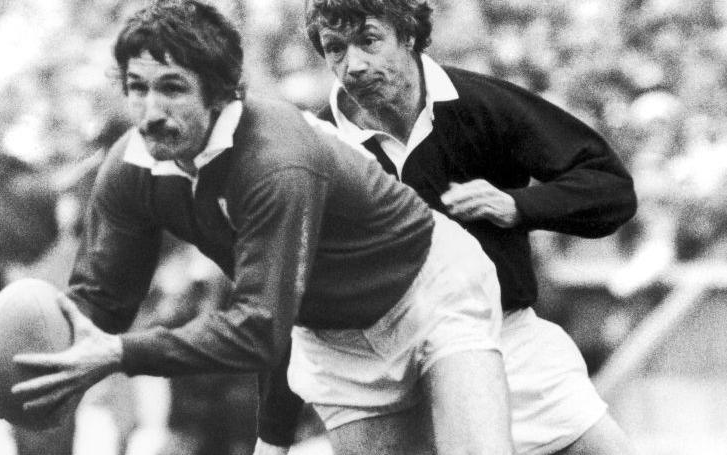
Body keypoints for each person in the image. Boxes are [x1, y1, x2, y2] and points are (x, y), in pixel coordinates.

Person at [0, 1, 513, 454]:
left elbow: (258, 328)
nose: (150, 111)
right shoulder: (132, 167)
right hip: (331, 330)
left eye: (173, 88)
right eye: (137, 87)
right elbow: (101, 300)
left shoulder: (274, 161)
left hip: (429, 288)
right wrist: (34, 352)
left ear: (223, 91)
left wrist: (120, 354)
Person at [254, 1, 639, 455]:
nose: (353, 64)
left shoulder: (481, 105)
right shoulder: (317, 153)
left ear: (409, 35)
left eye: (369, 41)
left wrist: (518, 205)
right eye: (335, 48)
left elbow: (609, 188)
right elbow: (290, 296)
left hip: (507, 345)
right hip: (385, 374)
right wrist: (272, 439)